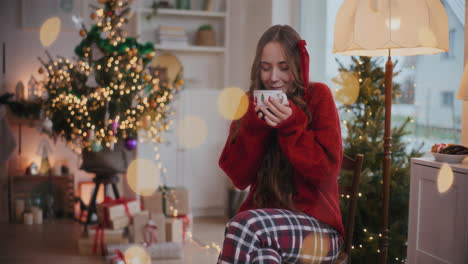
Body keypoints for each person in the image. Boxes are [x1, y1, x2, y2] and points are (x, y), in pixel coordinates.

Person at [217, 25, 344, 264]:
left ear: (297, 66)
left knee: (243, 227)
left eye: (283, 67)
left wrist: (291, 125)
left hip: (318, 230)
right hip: (265, 225)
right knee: (263, 256)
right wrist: (254, 124)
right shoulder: (250, 103)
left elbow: (326, 173)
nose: (273, 77)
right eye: (266, 68)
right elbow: (238, 177)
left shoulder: (319, 96)